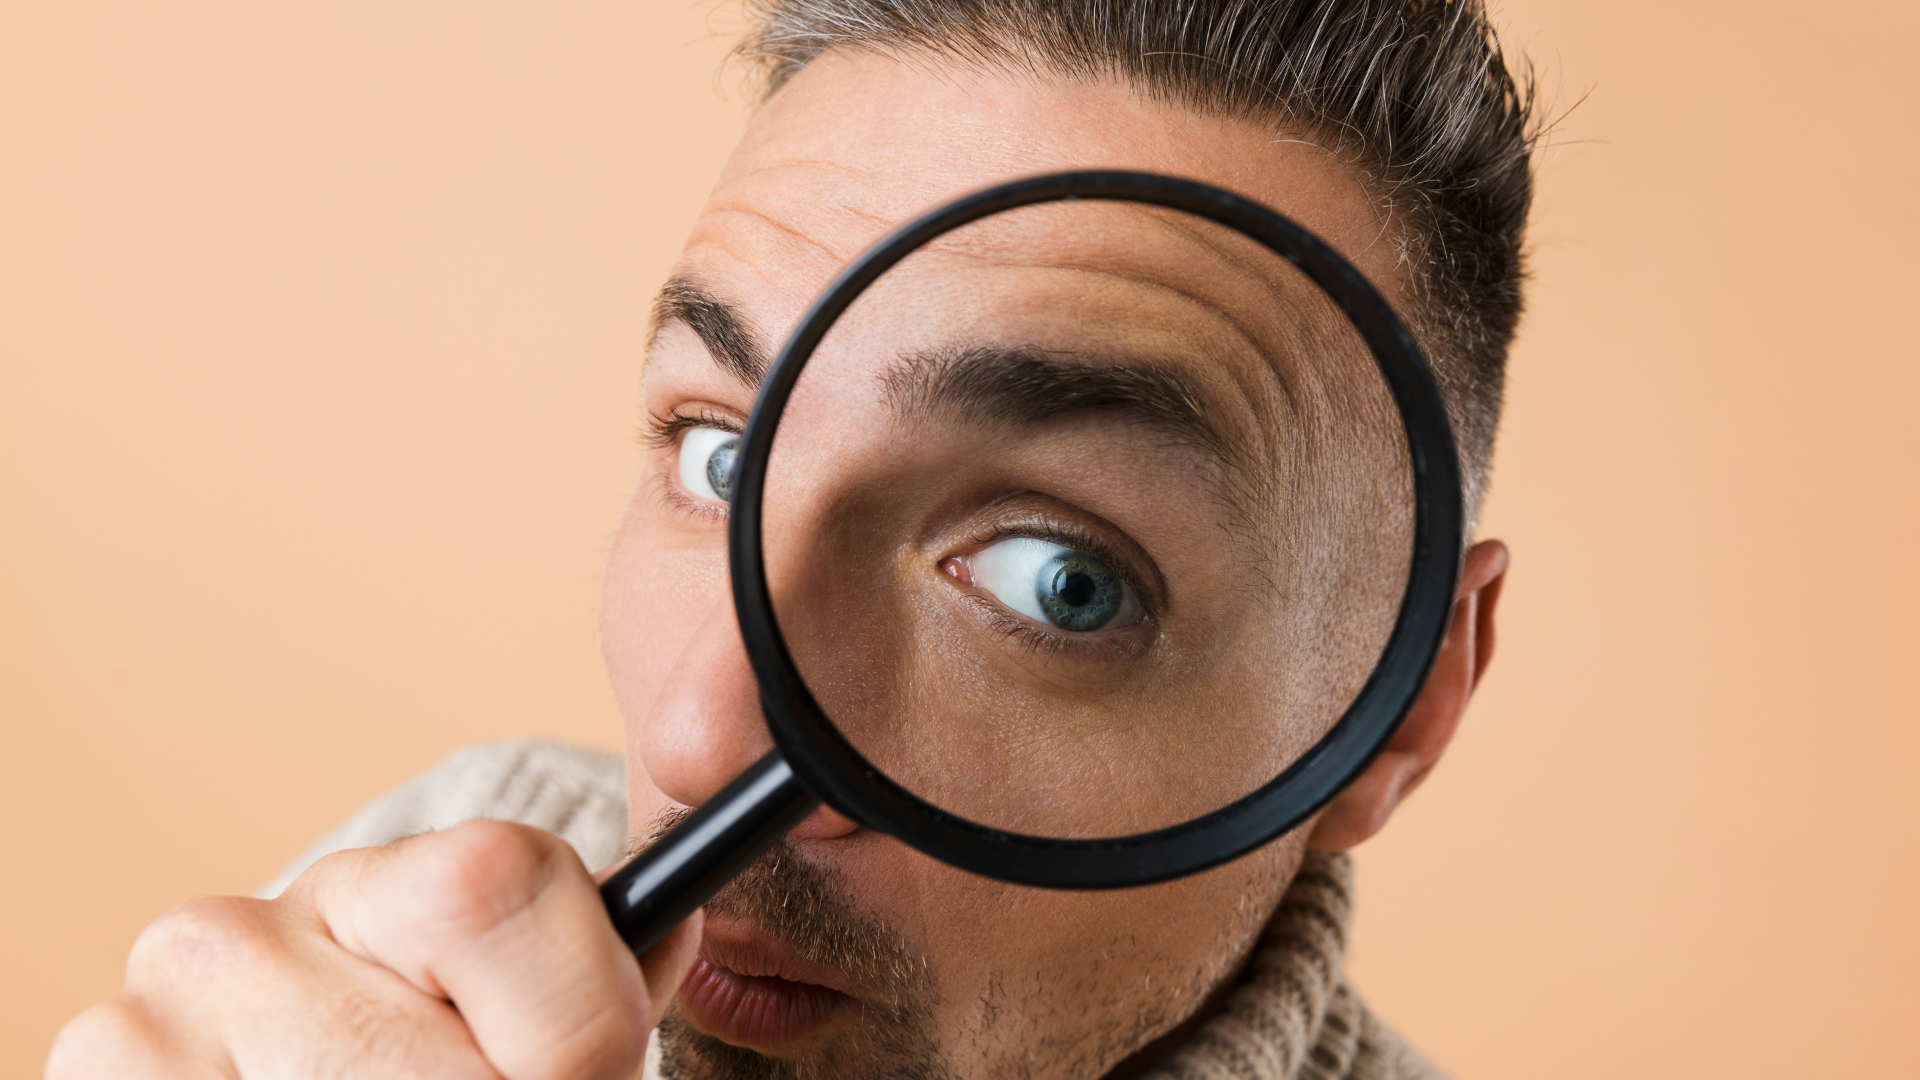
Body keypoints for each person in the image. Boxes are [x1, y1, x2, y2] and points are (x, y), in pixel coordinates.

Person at [46, 1, 1534, 1077]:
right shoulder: (442, 894)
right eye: (721, 455)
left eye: (1060, 582)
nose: (695, 743)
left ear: (1405, 710)